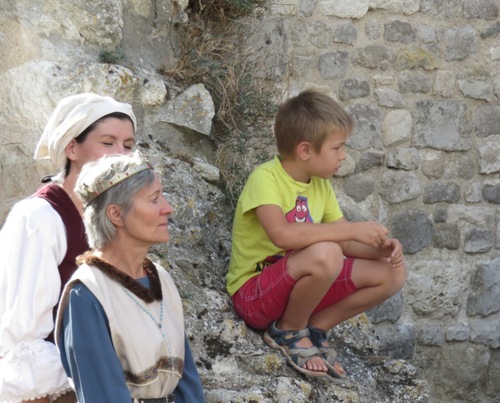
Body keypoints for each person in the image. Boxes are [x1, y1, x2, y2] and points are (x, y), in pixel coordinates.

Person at [226, 89, 406, 379]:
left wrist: (380, 249)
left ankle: (315, 327)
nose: (343, 156)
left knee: (390, 272)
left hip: (297, 292)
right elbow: (282, 235)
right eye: (337, 148)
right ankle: (287, 332)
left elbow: (346, 242)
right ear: (306, 150)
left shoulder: (320, 185)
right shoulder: (265, 178)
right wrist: (350, 229)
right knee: (327, 252)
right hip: (255, 296)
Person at [0, 93, 137, 403]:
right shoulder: (37, 219)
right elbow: (22, 349)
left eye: (128, 146)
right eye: (107, 142)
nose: (121, 155)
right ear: (71, 148)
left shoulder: (111, 225)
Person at [55, 152, 205, 403]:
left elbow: (187, 381)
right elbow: (102, 396)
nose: (168, 208)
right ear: (116, 214)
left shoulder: (162, 279)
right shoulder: (87, 294)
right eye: (155, 199)